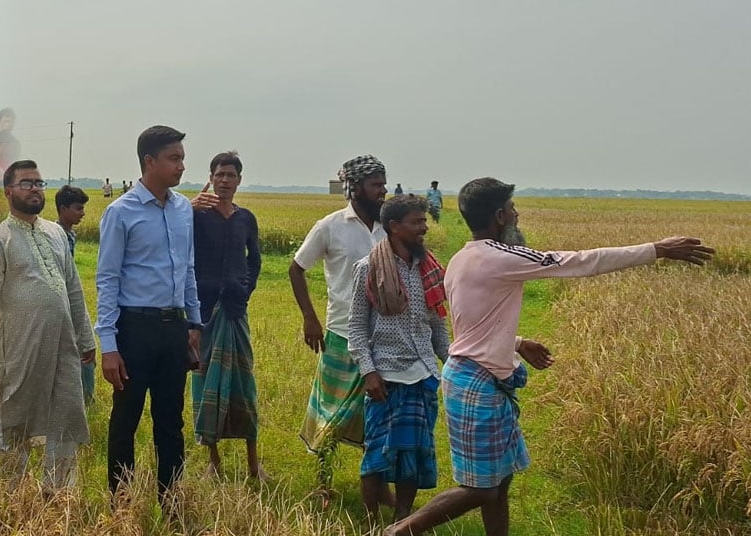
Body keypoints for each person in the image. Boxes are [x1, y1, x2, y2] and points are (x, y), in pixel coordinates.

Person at [385, 178, 714, 536]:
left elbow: (473, 324)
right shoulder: (500, 257)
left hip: (478, 377)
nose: (516, 214)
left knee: (500, 482)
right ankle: (400, 531)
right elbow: (580, 262)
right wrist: (657, 249)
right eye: (512, 209)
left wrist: (517, 342)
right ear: (499, 216)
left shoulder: (464, 257)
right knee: (481, 489)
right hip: (477, 383)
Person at [0, 161, 96, 492]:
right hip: (19, 347)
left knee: (65, 413)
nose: (35, 188)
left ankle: (58, 494)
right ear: (9, 192)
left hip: (63, 345)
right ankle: (13, 495)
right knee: (15, 418)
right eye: (26, 183)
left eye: (39, 183)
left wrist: (85, 338)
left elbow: (73, 289)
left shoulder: (56, 233)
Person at [96, 125, 202, 501]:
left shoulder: (183, 209)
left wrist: (194, 322)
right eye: (174, 158)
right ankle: (122, 504)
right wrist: (109, 346)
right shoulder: (120, 212)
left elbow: (188, 268)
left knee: (171, 421)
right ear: (149, 161)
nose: (181, 166)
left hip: (174, 329)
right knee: (125, 419)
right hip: (134, 328)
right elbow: (107, 279)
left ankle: (171, 500)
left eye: (182, 158)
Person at [290, 154, 390, 502]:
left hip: (383, 336)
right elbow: (296, 268)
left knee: (379, 413)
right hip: (342, 332)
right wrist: (309, 317)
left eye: (384, 184)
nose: (383, 190)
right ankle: (323, 481)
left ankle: (379, 486)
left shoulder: (389, 226)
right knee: (329, 412)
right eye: (376, 184)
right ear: (356, 188)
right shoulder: (330, 226)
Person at [349, 195, 449, 525]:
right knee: (376, 456)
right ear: (394, 226)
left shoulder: (429, 269)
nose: (424, 228)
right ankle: (370, 522)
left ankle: (403, 520)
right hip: (385, 377)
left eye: (424, 221)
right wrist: (369, 372)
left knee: (414, 455)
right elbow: (356, 327)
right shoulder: (368, 268)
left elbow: (437, 324)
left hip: (422, 375)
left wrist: (451, 363)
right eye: (416, 222)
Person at [188, 152, 265, 479]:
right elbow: (182, 255)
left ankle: (253, 464)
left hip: (235, 311)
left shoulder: (245, 218)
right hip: (204, 312)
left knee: (243, 383)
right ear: (210, 178)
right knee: (205, 382)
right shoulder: (196, 216)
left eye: (230, 175)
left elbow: (255, 260)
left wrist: (244, 289)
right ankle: (214, 462)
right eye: (219, 175)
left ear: (239, 180)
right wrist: (188, 209)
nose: (224, 181)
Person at [55, 184, 95, 406]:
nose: (83, 213)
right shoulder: (56, 235)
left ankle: (84, 398)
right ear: (63, 209)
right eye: (78, 208)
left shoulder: (70, 234)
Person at [0, 108, 20, 183]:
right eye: (5, 121)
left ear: (13, 123)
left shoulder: (16, 143)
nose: (8, 124)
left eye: (10, 122)